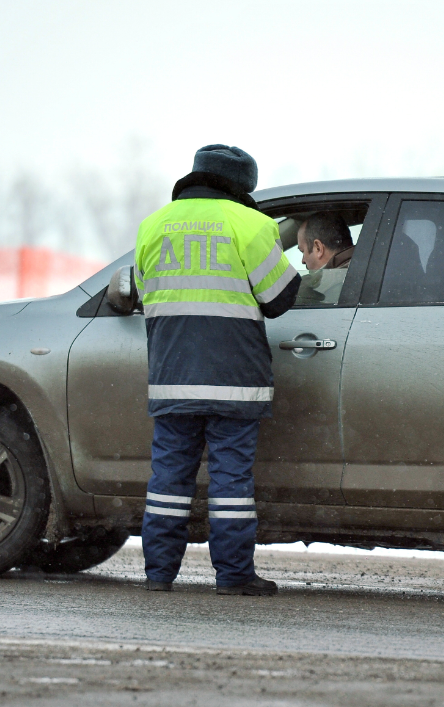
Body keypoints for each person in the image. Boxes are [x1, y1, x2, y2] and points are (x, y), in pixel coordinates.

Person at [134, 144, 300, 596]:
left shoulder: (154, 225)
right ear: (244, 188)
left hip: (172, 377)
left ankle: (158, 574)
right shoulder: (251, 225)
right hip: (234, 381)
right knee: (230, 484)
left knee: (168, 481)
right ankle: (232, 576)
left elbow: (143, 294)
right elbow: (279, 299)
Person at [294, 212, 354, 305]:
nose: (303, 261)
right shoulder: (364, 269)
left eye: (303, 251)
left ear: (318, 248)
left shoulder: (331, 286)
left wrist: (298, 294)